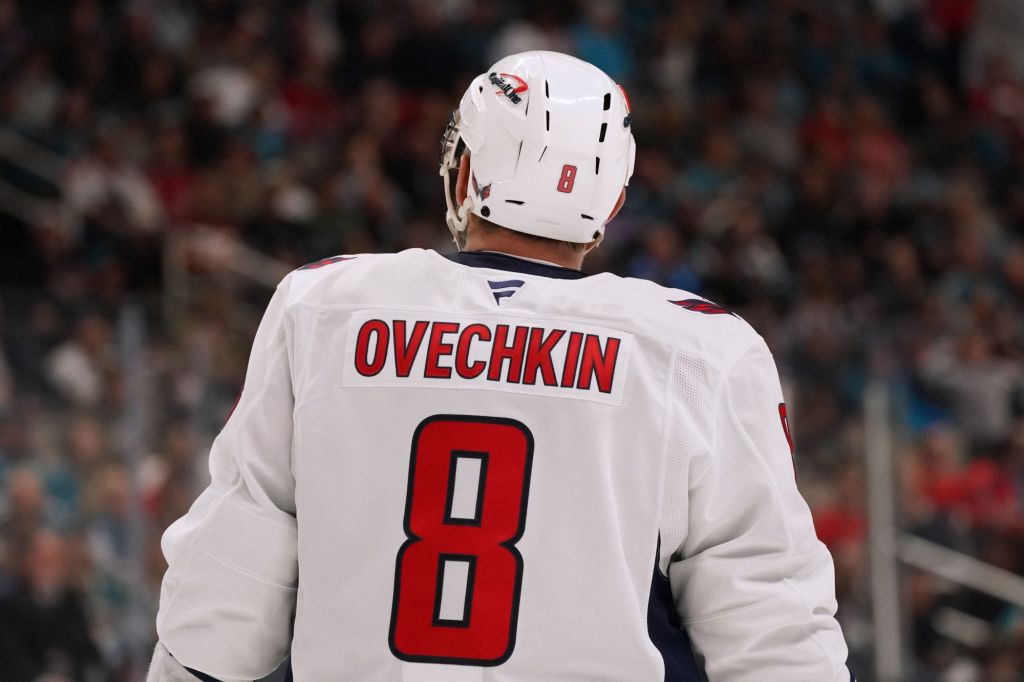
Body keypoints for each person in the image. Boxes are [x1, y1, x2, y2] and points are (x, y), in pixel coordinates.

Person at [147, 51, 852, 682]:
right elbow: (772, 620)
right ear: (611, 197)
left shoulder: (326, 308)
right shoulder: (699, 349)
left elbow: (228, 588)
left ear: (468, 167)